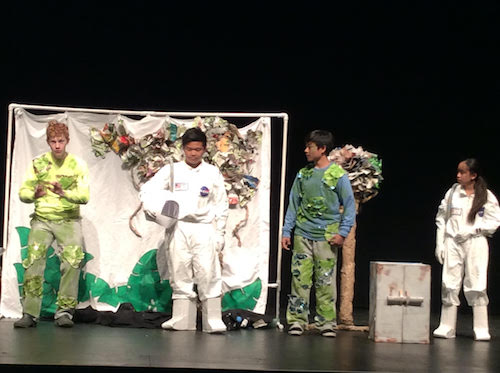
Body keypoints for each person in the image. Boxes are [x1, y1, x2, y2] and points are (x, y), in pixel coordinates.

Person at [139, 127, 229, 333]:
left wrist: (220, 234)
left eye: (197, 149)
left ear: (205, 150)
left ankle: (212, 320)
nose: (193, 153)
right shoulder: (172, 170)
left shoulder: (212, 172)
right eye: (189, 149)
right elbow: (147, 191)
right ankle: (181, 319)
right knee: (179, 271)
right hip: (178, 226)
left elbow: (221, 205)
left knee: (208, 272)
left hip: (204, 227)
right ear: (183, 149)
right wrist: (157, 210)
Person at [14, 120, 90, 328]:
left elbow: (84, 196)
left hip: (68, 219)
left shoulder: (77, 164)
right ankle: (30, 313)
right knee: (34, 262)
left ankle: (65, 312)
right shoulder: (39, 164)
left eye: (61, 141)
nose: (57, 145)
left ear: (67, 141)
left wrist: (63, 192)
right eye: (53, 141)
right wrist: (33, 194)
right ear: (48, 142)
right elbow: (23, 192)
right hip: (42, 220)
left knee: (72, 263)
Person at [282, 130, 355, 337]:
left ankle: (326, 322)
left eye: (310, 146)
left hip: (327, 237)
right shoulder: (303, 174)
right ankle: (297, 320)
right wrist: (287, 231)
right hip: (303, 234)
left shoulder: (337, 175)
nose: (306, 150)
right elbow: (293, 204)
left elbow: (349, 206)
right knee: (299, 279)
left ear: (322, 149)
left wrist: (342, 233)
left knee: (325, 281)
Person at [434, 158, 500, 341]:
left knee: (477, 283)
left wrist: (473, 230)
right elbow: (442, 219)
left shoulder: (486, 196)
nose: (458, 175)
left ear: (473, 175)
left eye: (462, 172)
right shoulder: (452, 193)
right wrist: (440, 243)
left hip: (475, 242)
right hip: (453, 242)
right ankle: (447, 325)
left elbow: (494, 221)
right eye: (458, 171)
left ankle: (481, 327)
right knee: (449, 282)